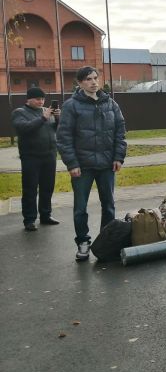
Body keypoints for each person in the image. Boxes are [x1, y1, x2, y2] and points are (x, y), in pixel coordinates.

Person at [57, 66, 127, 262]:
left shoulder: (111, 104)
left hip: (106, 165)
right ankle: (83, 242)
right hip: (82, 167)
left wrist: (118, 157)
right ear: (80, 83)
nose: (94, 82)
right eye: (88, 79)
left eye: (96, 78)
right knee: (80, 207)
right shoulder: (71, 106)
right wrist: (72, 163)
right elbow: (63, 138)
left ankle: (106, 241)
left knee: (109, 205)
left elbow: (120, 133)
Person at [11, 87, 61, 231]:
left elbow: (54, 129)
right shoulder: (19, 112)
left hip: (49, 156)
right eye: (38, 99)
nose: (41, 102)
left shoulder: (46, 111)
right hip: (31, 157)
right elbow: (23, 128)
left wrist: (57, 118)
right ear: (29, 99)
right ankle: (29, 220)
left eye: (43, 99)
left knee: (47, 188)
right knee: (30, 189)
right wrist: (43, 118)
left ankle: (45, 215)